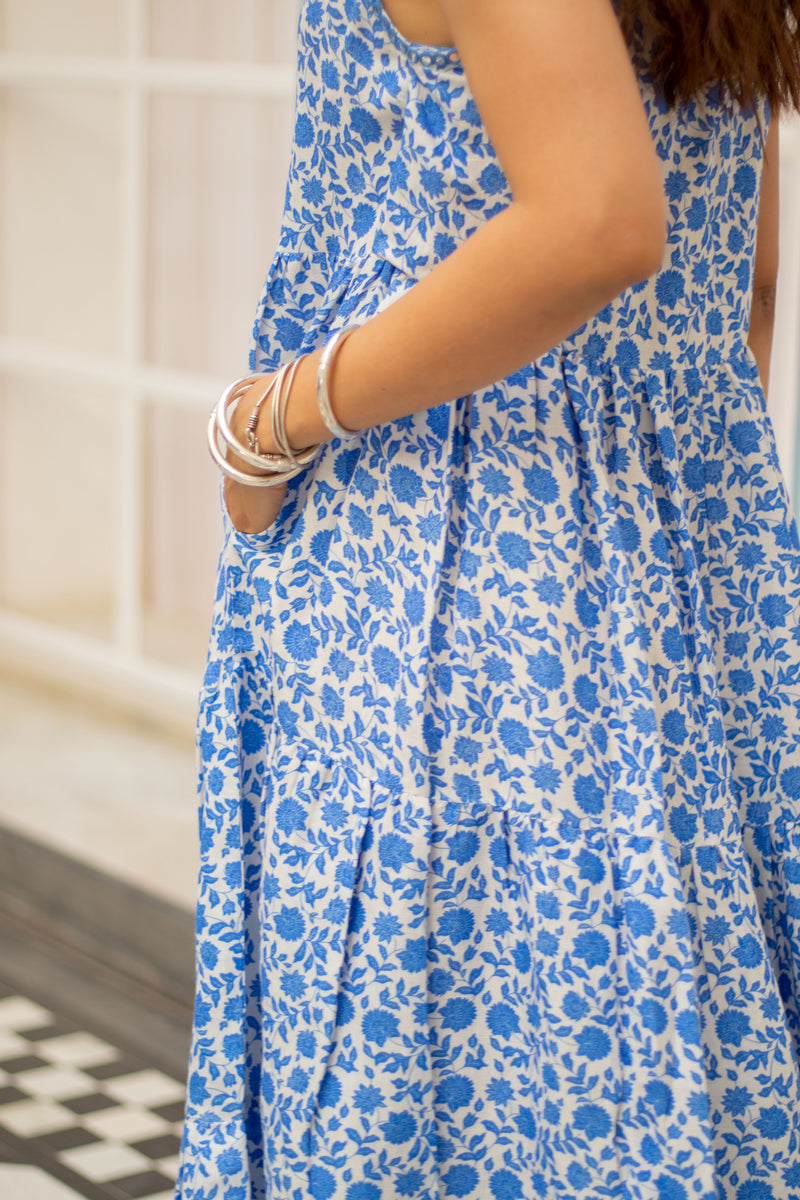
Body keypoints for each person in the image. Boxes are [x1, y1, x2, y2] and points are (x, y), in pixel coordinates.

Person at [176, 0, 800, 1196]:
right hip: (685, 559)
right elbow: (749, 279)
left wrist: (273, 422)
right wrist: (667, 504)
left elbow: (598, 220)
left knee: (431, 1060)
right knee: (664, 1030)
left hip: (443, 584)